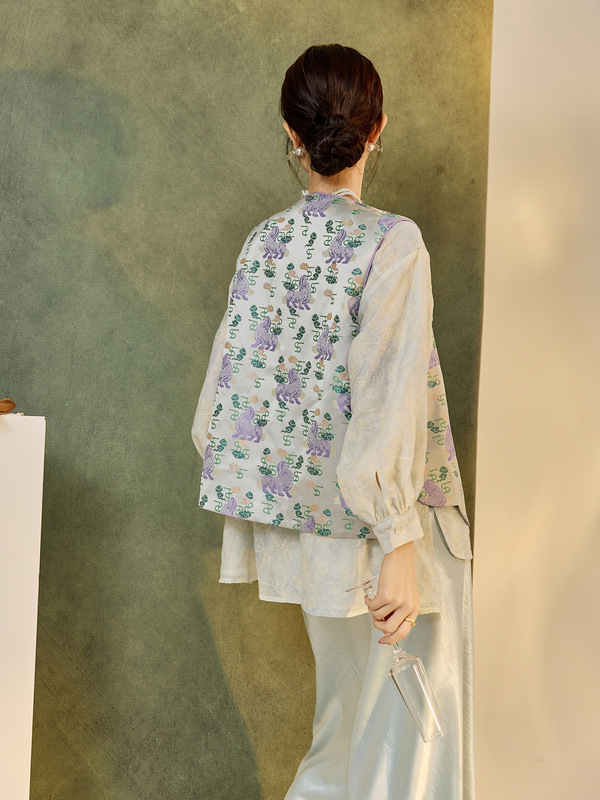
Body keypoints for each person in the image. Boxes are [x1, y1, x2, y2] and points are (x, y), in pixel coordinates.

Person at [192, 43, 476, 800]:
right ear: (377, 128)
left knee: (344, 739)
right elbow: (389, 394)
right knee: (409, 755)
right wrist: (397, 541)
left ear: (292, 132)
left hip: (315, 539)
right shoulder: (392, 242)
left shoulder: (264, 244)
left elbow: (221, 409)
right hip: (395, 540)